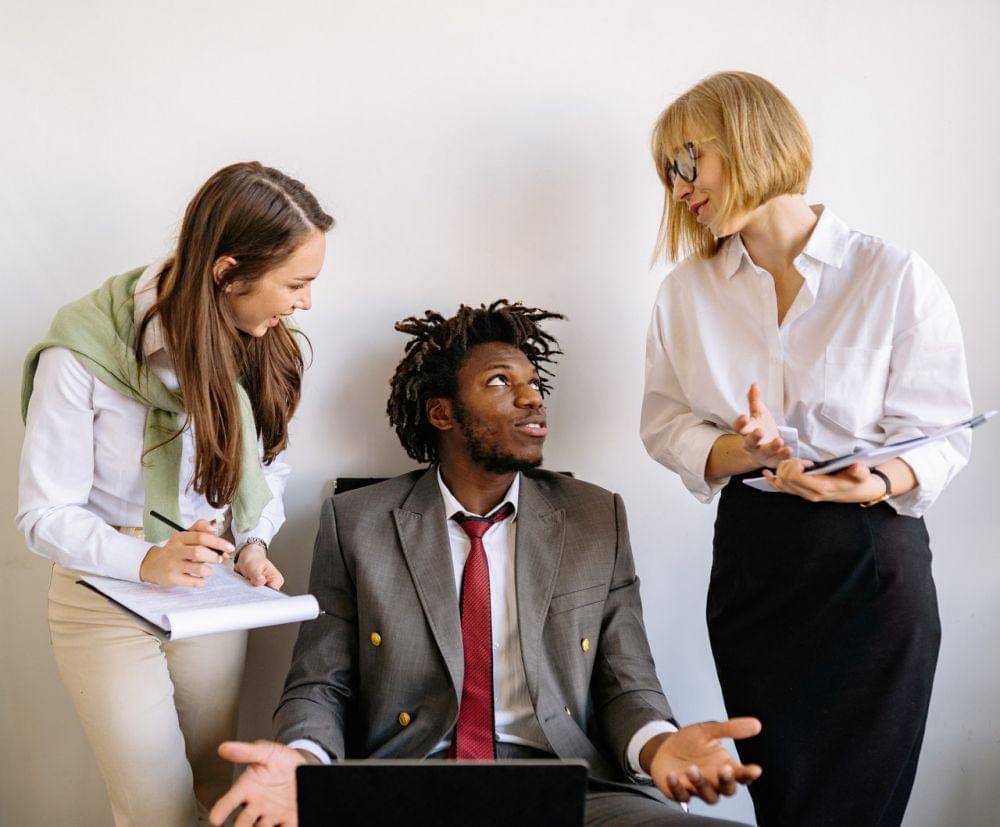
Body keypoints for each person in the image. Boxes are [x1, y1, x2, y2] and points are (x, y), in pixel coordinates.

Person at [210, 300, 762, 827]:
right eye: (500, 382)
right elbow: (320, 684)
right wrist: (303, 761)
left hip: (571, 787)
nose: (531, 399)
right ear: (442, 412)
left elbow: (626, 684)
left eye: (534, 385)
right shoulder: (357, 522)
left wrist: (660, 748)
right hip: (410, 785)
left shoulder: (595, 517)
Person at [640, 71, 973, 826]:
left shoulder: (891, 275)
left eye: (689, 162)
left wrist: (872, 481)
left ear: (750, 139)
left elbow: (944, 432)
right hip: (756, 565)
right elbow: (664, 425)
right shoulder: (686, 293)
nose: (680, 188)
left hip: (871, 559)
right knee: (787, 804)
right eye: (669, 174)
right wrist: (744, 449)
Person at [17, 161, 334, 826]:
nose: (305, 302)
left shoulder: (260, 342)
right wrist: (146, 560)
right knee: (158, 811)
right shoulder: (83, 351)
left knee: (221, 789)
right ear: (227, 272)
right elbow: (43, 514)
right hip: (103, 595)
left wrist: (251, 543)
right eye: (296, 283)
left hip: (208, 586)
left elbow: (268, 464)